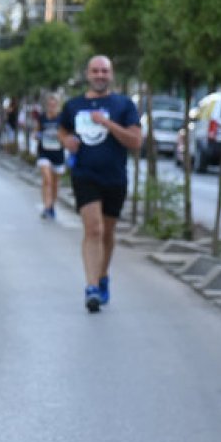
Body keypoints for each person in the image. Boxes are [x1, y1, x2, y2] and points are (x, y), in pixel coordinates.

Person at [58, 55, 142, 313]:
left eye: (104, 71)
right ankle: (92, 287)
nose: (100, 75)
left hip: (114, 176)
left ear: (111, 74)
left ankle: (103, 275)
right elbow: (62, 129)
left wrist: (107, 123)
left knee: (107, 232)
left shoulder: (123, 105)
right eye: (95, 71)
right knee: (93, 229)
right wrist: (66, 141)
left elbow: (135, 141)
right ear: (88, 74)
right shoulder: (74, 105)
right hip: (85, 174)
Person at [34, 93, 66, 220]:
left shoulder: (62, 118)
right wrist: (38, 135)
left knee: (55, 183)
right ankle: (46, 207)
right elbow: (36, 132)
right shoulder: (42, 117)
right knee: (47, 179)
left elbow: (67, 134)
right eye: (50, 104)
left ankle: (52, 205)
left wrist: (61, 137)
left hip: (58, 153)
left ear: (58, 105)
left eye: (54, 104)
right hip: (44, 152)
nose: (52, 106)